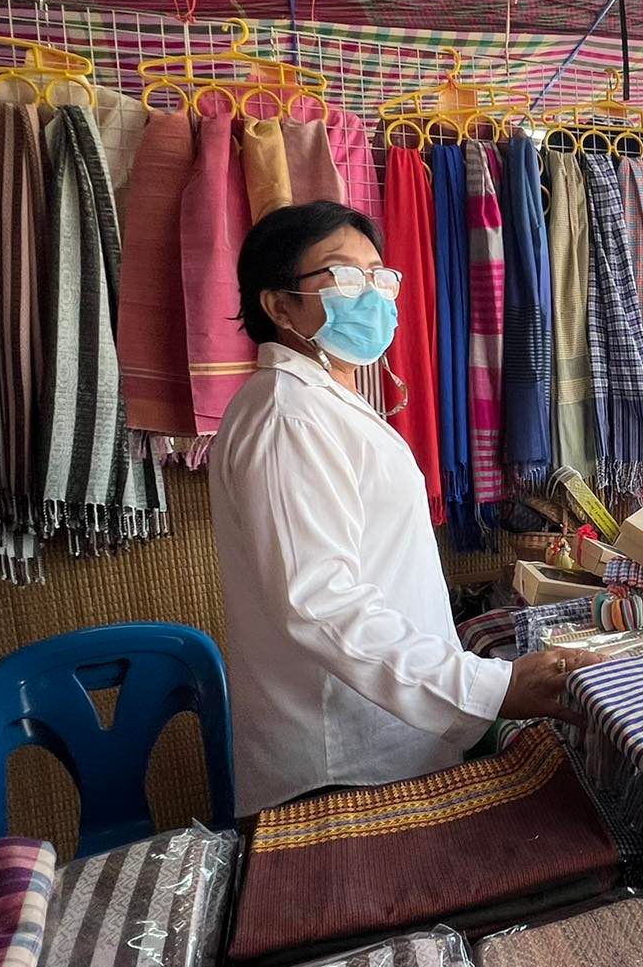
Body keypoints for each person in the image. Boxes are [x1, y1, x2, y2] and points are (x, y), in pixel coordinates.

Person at [208, 201, 594, 815]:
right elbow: (321, 602)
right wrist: (485, 686)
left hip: (382, 738)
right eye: (342, 274)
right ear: (279, 306)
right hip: (342, 765)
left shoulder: (321, 401)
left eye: (378, 274)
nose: (372, 294)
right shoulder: (289, 417)